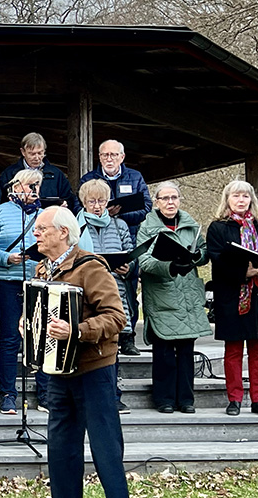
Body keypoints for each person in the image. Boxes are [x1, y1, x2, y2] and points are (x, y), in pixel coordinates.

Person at [31, 206, 128, 498]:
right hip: (58, 370)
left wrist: (77, 330)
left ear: (63, 232)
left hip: (93, 368)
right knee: (60, 446)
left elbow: (116, 317)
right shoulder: (43, 268)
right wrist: (29, 322)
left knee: (105, 445)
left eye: (42, 229)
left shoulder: (91, 267)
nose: (36, 233)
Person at [206, 180, 258, 418]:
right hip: (233, 296)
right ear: (227, 199)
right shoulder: (218, 227)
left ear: (252, 200)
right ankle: (235, 399)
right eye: (236, 196)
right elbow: (217, 260)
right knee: (233, 351)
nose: (241, 200)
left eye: (245, 197)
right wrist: (243, 272)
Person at [134, 181, 210, 414]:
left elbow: (205, 252)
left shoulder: (190, 225)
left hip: (187, 297)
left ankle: (186, 399)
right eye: (165, 198)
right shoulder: (147, 228)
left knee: (186, 351)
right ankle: (164, 399)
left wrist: (197, 256)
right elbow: (144, 261)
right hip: (163, 295)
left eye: (174, 198)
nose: (170, 202)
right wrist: (170, 266)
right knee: (164, 351)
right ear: (156, 202)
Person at [0, 168, 49, 414]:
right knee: (10, 338)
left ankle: (45, 393)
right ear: (15, 186)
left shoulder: (46, 214)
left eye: (37, 185)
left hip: (38, 282)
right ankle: (8, 393)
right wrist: (8, 258)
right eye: (29, 185)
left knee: (40, 338)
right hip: (8, 282)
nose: (33, 190)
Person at [80, 139, 152, 356]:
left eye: (113, 155)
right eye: (104, 155)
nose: (109, 159)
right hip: (92, 255)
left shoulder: (135, 177)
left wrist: (118, 214)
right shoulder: (89, 179)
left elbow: (146, 207)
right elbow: (78, 205)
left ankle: (127, 337)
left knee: (127, 295)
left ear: (122, 157)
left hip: (124, 239)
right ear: (99, 157)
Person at [76, 179, 138, 413]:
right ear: (83, 202)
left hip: (114, 291)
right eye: (92, 201)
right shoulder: (75, 225)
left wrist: (128, 267)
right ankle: (88, 397)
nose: (97, 205)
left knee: (113, 347)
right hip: (86, 293)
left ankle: (114, 396)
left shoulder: (119, 225)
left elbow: (130, 255)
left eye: (102, 200)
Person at [0, 132, 78, 213]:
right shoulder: (9, 174)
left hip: (50, 219)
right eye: (32, 154)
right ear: (23, 152)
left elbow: (69, 199)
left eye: (40, 153)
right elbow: (1, 201)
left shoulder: (56, 174)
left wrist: (64, 205)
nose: (37, 158)